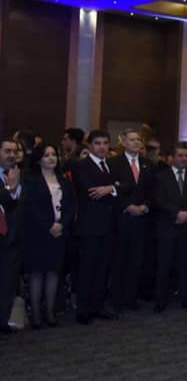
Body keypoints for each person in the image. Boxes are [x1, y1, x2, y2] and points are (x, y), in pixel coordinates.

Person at [21, 144, 76, 328]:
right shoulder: (30, 180)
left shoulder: (63, 180)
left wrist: (61, 224)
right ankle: (36, 313)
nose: (51, 158)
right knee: (37, 273)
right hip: (39, 232)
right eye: (46, 155)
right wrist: (49, 225)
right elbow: (29, 207)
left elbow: (70, 205)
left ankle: (50, 311)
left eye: (54, 154)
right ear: (38, 159)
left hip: (59, 232)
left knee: (54, 272)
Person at [71, 129, 120, 324]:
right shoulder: (80, 165)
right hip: (90, 225)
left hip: (109, 225)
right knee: (87, 268)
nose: (102, 147)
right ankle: (83, 310)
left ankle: (97, 306)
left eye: (105, 143)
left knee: (103, 268)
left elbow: (126, 186)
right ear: (90, 145)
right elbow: (91, 191)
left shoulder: (111, 165)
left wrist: (112, 188)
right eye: (97, 143)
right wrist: (114, 188)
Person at [153, 142, 187, 312]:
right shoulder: (162, 177)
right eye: (180, 156)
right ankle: (161, 299)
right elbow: (160, 200)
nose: (183, 159)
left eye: (186, 156)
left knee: (186, 263)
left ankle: (186, 298)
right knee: (164, 264)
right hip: (168, 225)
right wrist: (176, 213)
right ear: (173, 157)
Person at [107, 128, 154, 313]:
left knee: (137, 259)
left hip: (142, 218)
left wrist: (145, 206)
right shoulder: (113, 163)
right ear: (123, 143)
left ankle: (131, 297)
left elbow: (153, 190)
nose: (136, 142)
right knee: (119, 258)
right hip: (121, 217)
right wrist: (127, 206)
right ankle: (117, 297)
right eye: (132, 139)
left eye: (138, 139)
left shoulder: (148, 164)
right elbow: (112, 190)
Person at [0, 139, 23, 334]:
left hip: (14, 238)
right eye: (7, 151)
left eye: (15, 152)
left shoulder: (24, 176)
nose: (12, 155)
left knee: (8, 283)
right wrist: (10, 189)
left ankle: (2, 321)